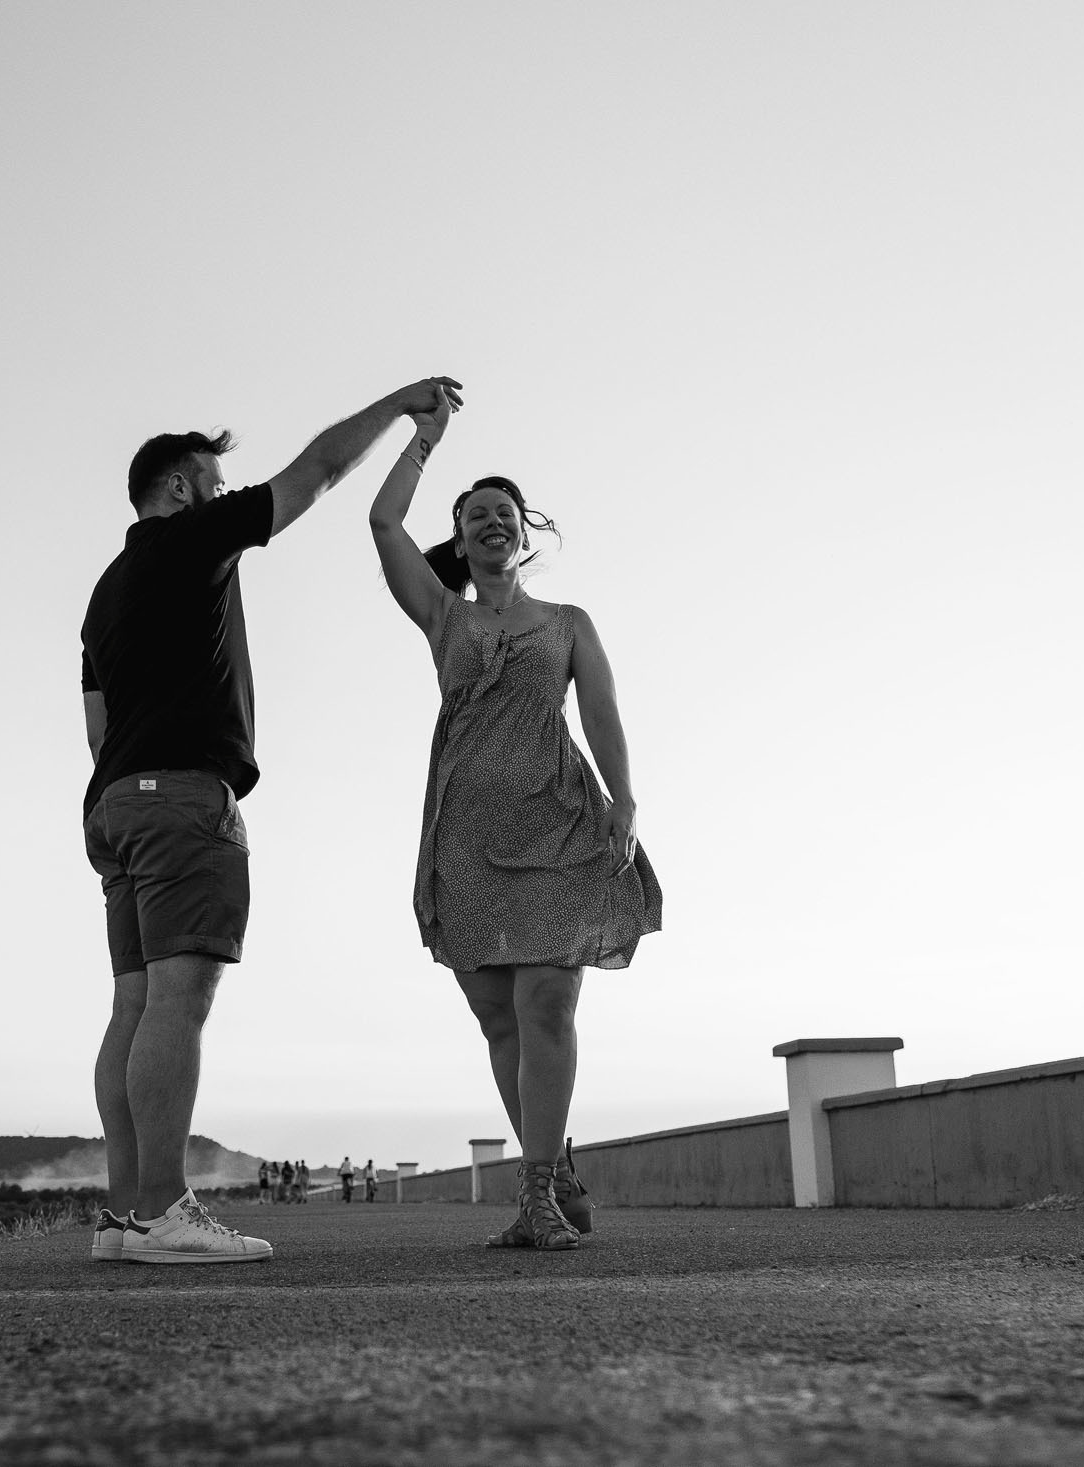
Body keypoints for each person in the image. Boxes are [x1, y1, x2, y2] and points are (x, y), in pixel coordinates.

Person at [85, 377, 465, 1265]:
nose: (226, 492)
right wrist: (402, 407)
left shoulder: (104, 592)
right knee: (179, 1002)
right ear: (181, 486)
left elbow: (97, 729)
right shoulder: (193, 535)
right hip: (183, 800)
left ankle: (124, 1216)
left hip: (115, 807)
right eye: (215, 479)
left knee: (131, 1005)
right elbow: (321, 470)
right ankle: (164, 1212)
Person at [367, 387, 662, 1251]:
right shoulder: (442, 615)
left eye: (504, 512)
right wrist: (422, 441)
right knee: (498, 1013)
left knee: (547, 1000)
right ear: (459, 539)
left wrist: (627, 800)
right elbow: (385, 526)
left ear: (524, 534)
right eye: (475, 515)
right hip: (465, 831)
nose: (491, 522)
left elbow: (602, 713)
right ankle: (556, 1166)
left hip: (561, 821)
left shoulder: (570, 623)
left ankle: (534, 1196)